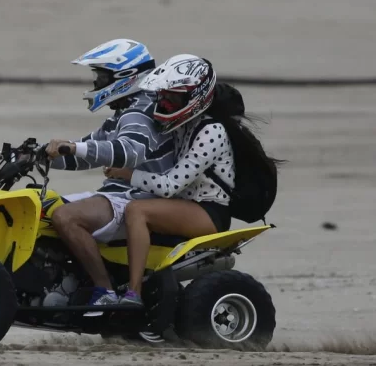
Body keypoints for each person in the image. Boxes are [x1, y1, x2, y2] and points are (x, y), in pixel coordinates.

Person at [103, 54, 281, 306]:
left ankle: (133, 294)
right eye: (163, 94)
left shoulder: (212, 131)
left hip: (207, 212)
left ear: (196, 96)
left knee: (136, 211)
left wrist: (128, 174)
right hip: (185, 206)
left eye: (173, 97)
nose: (164, 102)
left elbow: (170, 185)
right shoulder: (181, 124)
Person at [44, 39, 174, 309]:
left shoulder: (141, 111)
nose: (96, 86)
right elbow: (86, 155)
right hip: (118, 196)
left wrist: (73, 147)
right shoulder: (123, 113)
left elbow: (128, 152)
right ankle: (67, 281)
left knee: (65, 216)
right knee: (43, 208)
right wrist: (40, 156)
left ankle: (104, 292)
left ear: (126, 77)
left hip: (137, 197)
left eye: (101, 78)